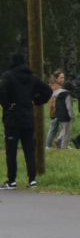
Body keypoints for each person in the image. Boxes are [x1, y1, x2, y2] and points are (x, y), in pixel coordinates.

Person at [1, 51, 51, 188]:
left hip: (12, 118)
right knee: (29, 149)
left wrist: (6, 105)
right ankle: (32, 179)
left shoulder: (8, 76)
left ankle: (12, 180)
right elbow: (48, 91)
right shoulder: (31, 77)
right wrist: (36, 100)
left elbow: (1, 90)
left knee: (11, 150)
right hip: (28, 117)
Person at [46, 70, 72, 151]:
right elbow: (53, 99)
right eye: (61, 78)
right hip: (57, 110)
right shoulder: (55, 87)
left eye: (63, 77)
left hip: (58, 110)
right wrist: (55, 110)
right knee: (55, 128)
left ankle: (58, 143)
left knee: (58, 128)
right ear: (56, 78)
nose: (63, 79)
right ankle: (50, 145)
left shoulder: (59, 86)